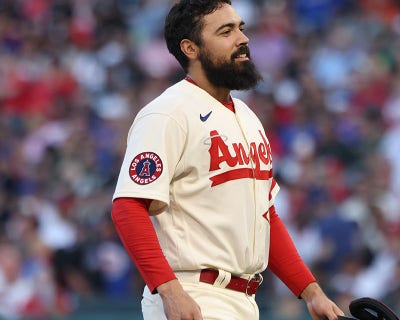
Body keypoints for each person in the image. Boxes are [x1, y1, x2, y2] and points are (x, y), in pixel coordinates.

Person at [110, 1, 345, 319]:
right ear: (190, 48)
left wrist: (311, 291)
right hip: (192, 291)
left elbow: (265, 216)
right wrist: (168, 289)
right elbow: (128, 207)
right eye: (226, 31)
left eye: (240, 28)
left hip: (245, 300)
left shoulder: (247, 117)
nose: (243, 38)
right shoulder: (168, 113)